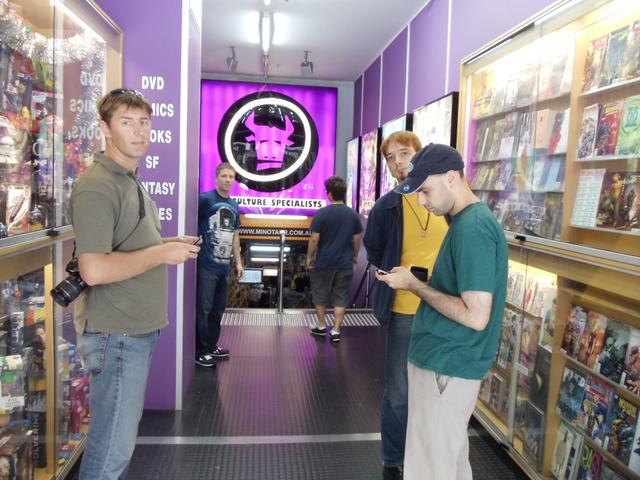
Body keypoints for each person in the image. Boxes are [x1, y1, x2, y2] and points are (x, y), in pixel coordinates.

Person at [69, 88, 201, 480]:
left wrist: (168, 243)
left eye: (144, 122)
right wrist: (161, 254)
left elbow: (126, 245)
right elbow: (94, 269)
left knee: (117, 444)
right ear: (105, 128)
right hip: (117, 333)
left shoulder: (128, 179)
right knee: (112, 448)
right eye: (127, 122)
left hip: (132, 331)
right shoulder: (98, 186)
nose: (139, 131)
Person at [377, 143, 508, 480]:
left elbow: (476, 315)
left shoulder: (473, 228)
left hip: (446, 365)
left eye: (425, 190)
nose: (422, 201)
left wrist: (415, 286)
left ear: (451, 177)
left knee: (431, 467)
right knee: (446, 462)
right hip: (443, 363)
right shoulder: (464, 222)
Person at [363, 131, 449, 480]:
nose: (397, 162)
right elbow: (373, 248)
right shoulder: (387, 206)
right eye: (390, 157)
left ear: (419, 154)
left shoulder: (443, 199)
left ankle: (429, 452)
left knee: (438, 388)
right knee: (399, 389)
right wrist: (393, 273)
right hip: (404, 308)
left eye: (404, 153)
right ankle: (393, 456)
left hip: (444, 307)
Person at [196, 163, 245, 366]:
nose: (228, 180)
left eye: (231, 177)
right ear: (216, 178)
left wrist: (238, 263)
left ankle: (211, 345)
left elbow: (235, 236)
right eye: (224, 176)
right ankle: (200, 351)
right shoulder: (204, 199)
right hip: (206, 265)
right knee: (204, 309)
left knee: (218, 310)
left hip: (224, 268)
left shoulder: (234, 205)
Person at [307, 176, 363, 343]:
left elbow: (314, 239)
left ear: (329, 194)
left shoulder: (321, 213)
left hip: (324, 262)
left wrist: (310, 257)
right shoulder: (352, 215)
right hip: (345, 263)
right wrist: (355, 255)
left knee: (320, 293)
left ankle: (321, 325)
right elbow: (357, 238)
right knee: (341, 296)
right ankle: (336, 330)